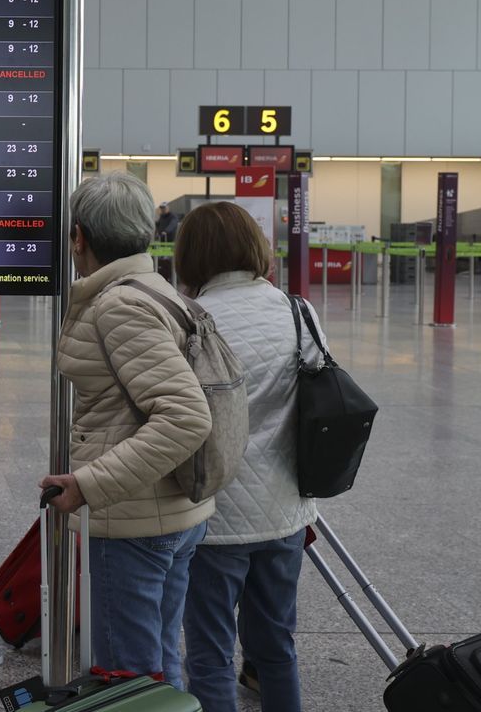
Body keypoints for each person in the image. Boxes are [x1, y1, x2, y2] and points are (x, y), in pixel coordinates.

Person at [38, 171, 213, 689]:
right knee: (159, 663)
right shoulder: (154, 289)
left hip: (135, 523)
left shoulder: (118, 305)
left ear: (79, 237)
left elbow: (186, 416)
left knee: (128, 678)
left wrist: (89, 485)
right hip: (173, 510)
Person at [176, 202, 323, 712]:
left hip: (214, 518)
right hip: (284, 511)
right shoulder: (297, 311)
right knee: (276, 648)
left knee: (210, 657)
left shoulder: (191, 320)